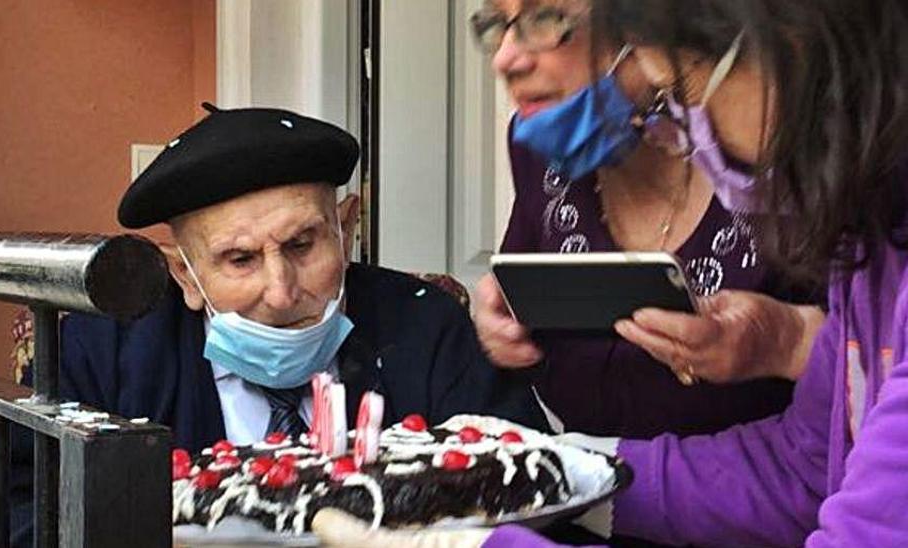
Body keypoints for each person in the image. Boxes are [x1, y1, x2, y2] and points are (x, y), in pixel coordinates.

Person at [314, 0, 908, 545]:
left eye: (680, 88)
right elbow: (802, 469)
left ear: (797, 39)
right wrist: (562, 475)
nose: (690, 130)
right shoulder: (873, 250)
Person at [0, 105, 540, 546]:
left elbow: (533, 481)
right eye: (240, 259)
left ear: (346, 227)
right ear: (184, 276)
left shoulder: (424, 322)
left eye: (303, 244)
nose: (282, 290)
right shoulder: (104, 348)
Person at [470, 0, 826, 439]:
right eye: (496, 26)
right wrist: (497, 322)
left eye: (546, 19)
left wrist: (787, 342)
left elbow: (873, 369)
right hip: (594, 495)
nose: (505, 58)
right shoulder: (539, 146)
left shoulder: (790, 146)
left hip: (789, 500)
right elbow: (517, 311)